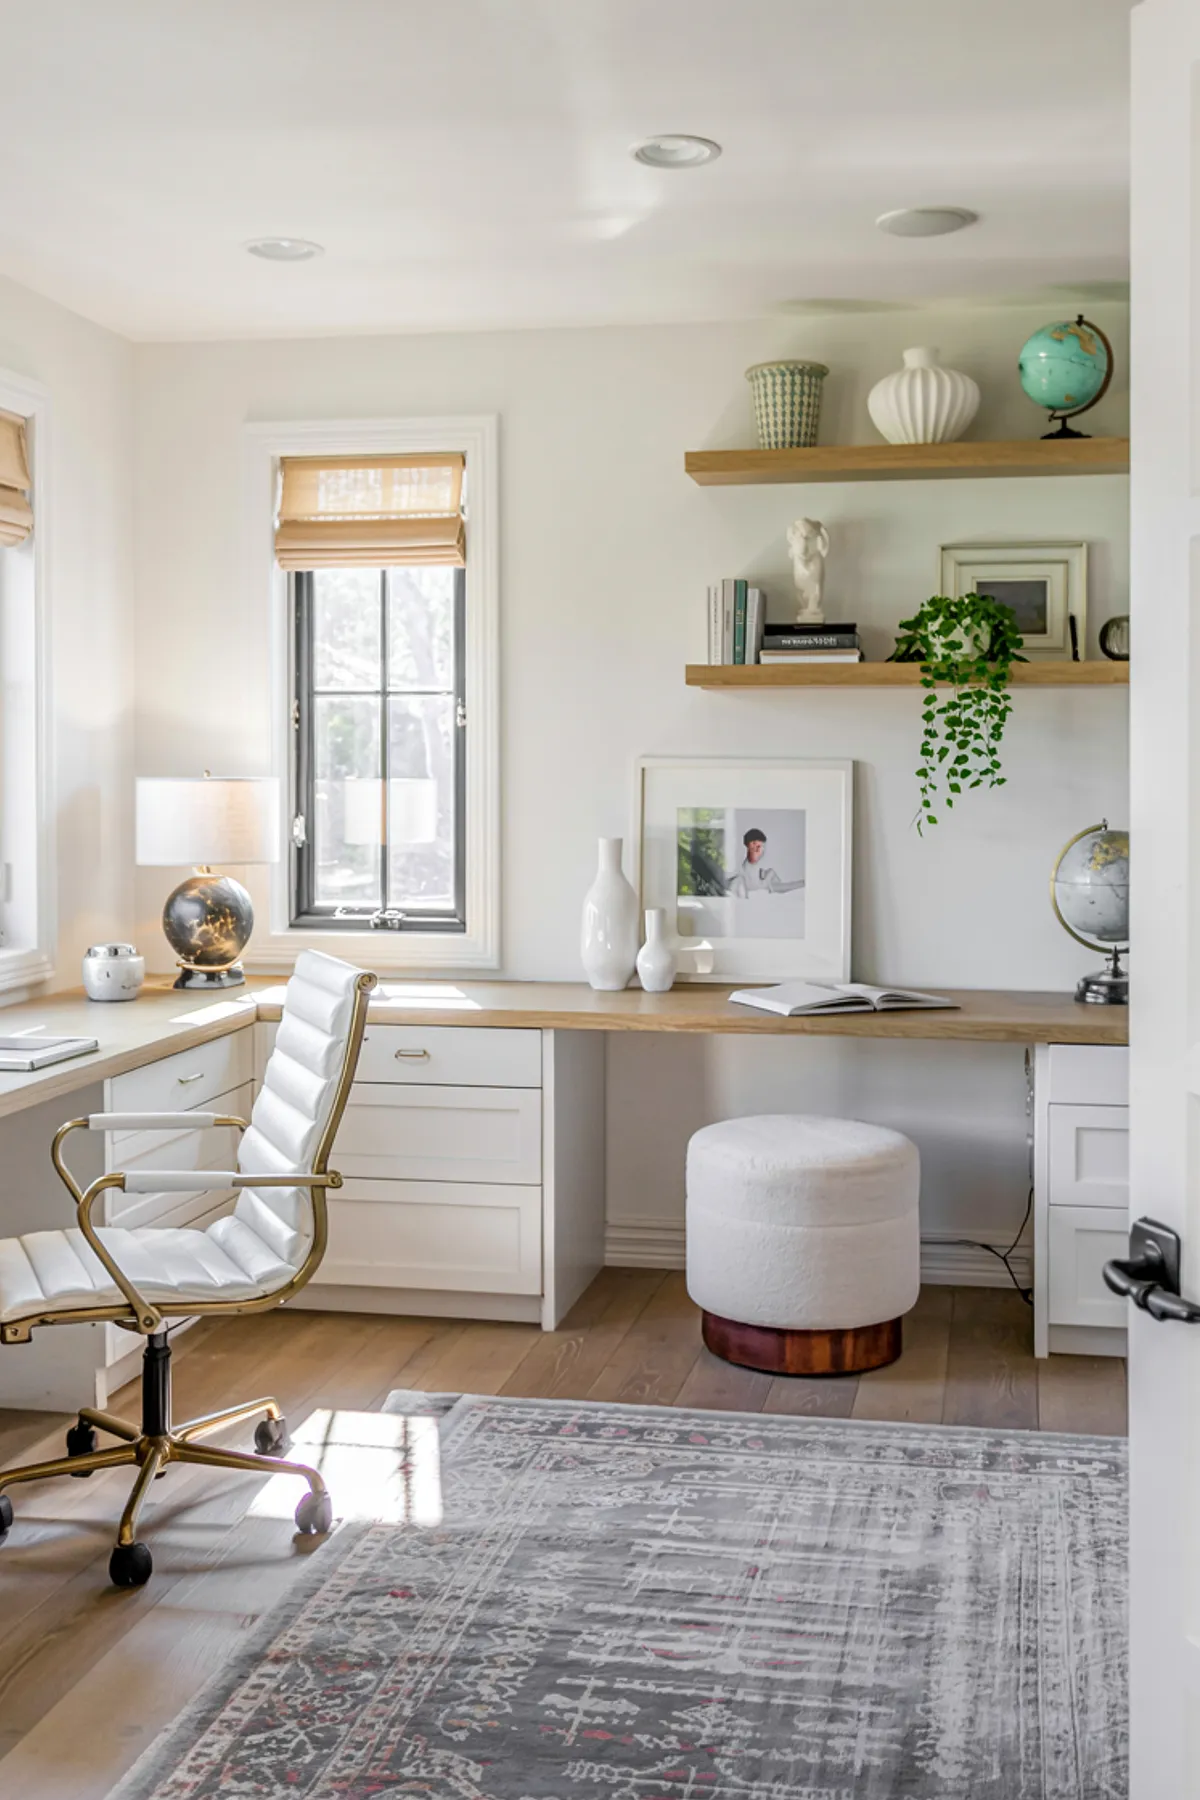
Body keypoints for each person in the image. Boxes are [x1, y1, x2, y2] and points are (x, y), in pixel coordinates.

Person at [727, 828, 806, 898]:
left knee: (779, 879)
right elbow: (755, 885)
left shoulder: (756, 869)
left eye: (762, 847)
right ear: (749, 845)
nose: (760, 850)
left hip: (763, 883)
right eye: (756, 845)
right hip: (759, 885)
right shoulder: (741, 875)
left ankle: (806, 883)